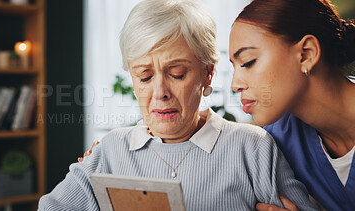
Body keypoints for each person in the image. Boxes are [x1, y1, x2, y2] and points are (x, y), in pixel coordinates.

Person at [39, 0, 318, 210]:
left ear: (207, 73)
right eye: (145, 76)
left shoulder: (253, 147)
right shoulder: (111, 150)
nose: (160, 92)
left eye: (177, 74)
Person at [229, 0, 355, 210]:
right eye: (234, 67)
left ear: (306, 54)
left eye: (249, 62)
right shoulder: (280, 139)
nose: (235, 85)